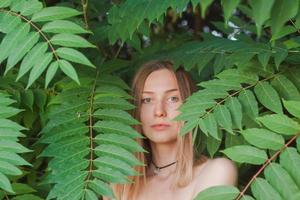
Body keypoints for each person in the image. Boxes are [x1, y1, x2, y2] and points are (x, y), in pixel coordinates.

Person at [104, 60, 237, 200]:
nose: (159, 111)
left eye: (173, 98)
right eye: (147, 100)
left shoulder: (216, 171)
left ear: (191, 105)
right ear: (136, 110)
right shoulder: (120, 185)